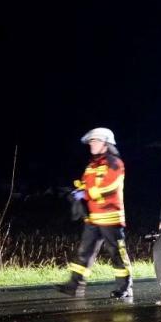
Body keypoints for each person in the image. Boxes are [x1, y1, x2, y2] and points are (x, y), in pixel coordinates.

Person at [57, 127, 134, 303]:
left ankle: (125, 287)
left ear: (105, 144)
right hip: (93, 217)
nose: (92, 144)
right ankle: (74, 285)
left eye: (95, 141)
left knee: (116, 253)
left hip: (111, 217)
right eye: (91, 141)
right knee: (84, 252)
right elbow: (85, 183)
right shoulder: (92, 165)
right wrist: (76, 192)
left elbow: (109, 187)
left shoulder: (115, 163)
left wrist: (86, 194)